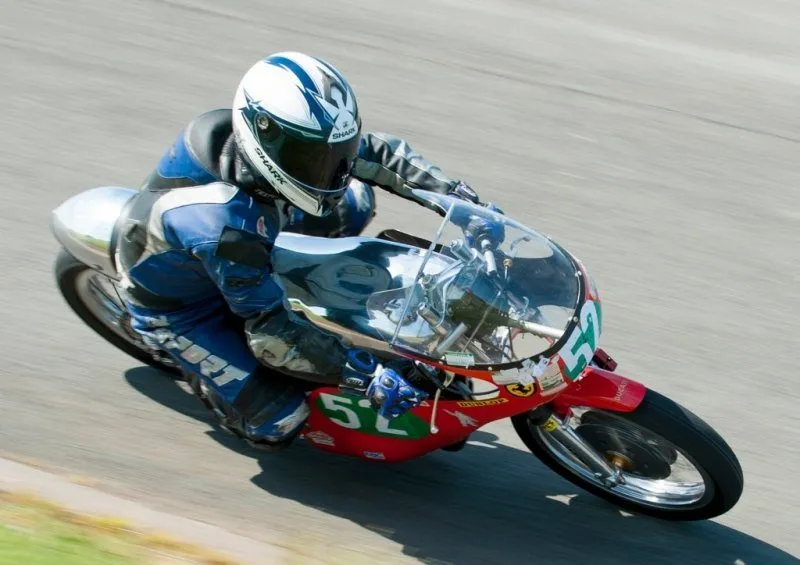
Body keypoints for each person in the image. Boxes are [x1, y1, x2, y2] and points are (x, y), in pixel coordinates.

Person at [114, 52, 491, 450]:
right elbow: (274, 334)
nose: (329, 167)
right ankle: (212, 384)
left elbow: (380, 154)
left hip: (250, 233)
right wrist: (363, 373)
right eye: (314, 159)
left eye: (334, 152)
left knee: (354, 202)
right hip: (184, 307)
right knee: (278, 422)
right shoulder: (225, 230)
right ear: (264, 135)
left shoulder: (279, 147)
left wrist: (463, 205)